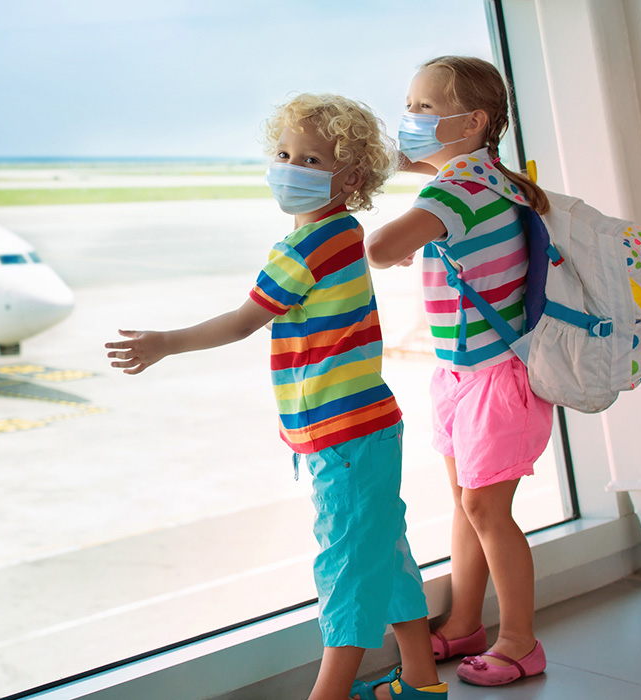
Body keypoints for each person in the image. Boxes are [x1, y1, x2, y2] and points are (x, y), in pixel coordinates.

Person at [105, 93, 446, 700]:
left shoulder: (306, 248)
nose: (291, 168)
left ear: (353, 176)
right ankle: (421, 681)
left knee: (346, 565)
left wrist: (165, 342)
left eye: (312, 160)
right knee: (384, 552)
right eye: (286, 153)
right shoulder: (341, 231)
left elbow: (242, 322)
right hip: (366, 424)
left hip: (341, 435)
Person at [364, 56, 555, 687]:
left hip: (492, 380)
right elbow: (417, 167)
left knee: (485, 510)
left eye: (423, 109)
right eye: (409, 105)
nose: (409, 121)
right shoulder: (489, 174)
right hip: (463, 372)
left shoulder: (456, 189)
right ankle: (467, 621)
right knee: (469, 506)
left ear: (472, 121)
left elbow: (383, 249)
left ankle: (521, 641)